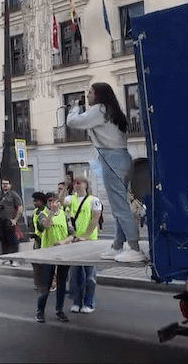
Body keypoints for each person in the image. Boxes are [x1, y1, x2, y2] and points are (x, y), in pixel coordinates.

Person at [67, 82, 146, 263]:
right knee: (120, 203)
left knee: (119, 205)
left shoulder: (99, 110)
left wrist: (74, 108)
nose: (87, 96)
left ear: (98, 94)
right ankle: (118, 244)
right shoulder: (114, 111)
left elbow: (73, 122)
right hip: (121, 157)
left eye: (90, 92)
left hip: (111, 159)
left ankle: (134, 248)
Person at [61, 176, 102, 314]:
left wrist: (85, 236)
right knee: (74, 275)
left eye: (78, 183)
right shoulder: (71, 199)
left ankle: (89, 302)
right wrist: (65, 187)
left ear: (85, 184)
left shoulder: (94, 200)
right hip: (75, 241)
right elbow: (60, 202)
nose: (76, 185)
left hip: (89, 242)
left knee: (90, 275)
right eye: (74, 183)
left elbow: (95, 220)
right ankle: (77, 302)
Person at [35, 196, 74, 323]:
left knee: (61, 283)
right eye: (50, 201)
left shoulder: (65, 214)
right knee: (45, 285)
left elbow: (72, 234)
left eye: (56, 201)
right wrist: (51, 212)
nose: (53, 203)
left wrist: (64, 242)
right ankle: (40, 311)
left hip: (63, 253)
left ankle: (59, 310)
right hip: (47, 253)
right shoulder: (42, 214)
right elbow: (44, 225)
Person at [0, 178, 23, 259]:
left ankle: (14, 258)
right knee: (2, 239)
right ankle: (5, 258)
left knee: (12, 240)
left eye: (6, 184)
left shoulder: (13, 194)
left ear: (10, 185)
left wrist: (15, 219)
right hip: (0, 219)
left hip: (9, 220)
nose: (4, 185)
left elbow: (20, 207)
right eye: (3, 183)